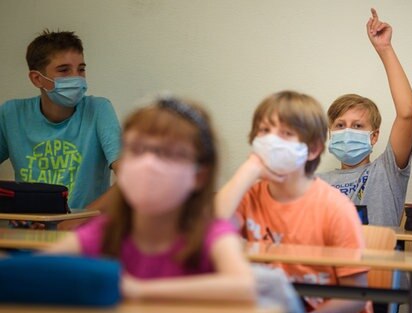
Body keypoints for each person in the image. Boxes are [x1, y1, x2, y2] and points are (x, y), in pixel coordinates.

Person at [46, 97, 255, 302]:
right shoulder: (105, 231)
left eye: (167, 153)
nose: (149, 164)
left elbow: (243, 286)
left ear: (199, 175)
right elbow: (36, 269)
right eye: (136, 150)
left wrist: (140, 290)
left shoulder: (210, 233)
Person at [216, 90, 372, 313]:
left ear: (313, 149)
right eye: (264, 131)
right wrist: (249, 170)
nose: (271, 141)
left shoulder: (335, 207)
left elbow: (354, 295)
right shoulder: (250, 197)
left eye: (286, 133)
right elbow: (206, 230)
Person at [0, 30, 121, 212]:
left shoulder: (98, 109)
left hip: (82, 232)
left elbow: (132, 179)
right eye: (64, 70)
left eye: (81, 69)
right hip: (29, 230)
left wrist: (80, 221)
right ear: (37, 79)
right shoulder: (11, 114)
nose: (77, 78)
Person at [318, 8, 412, 228]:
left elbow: (407, 113)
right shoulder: (317, 184)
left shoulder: (387, 172)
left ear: (374, 137)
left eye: (358, 125)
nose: (347, 131)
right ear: (330, 134)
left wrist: (385, 49)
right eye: (340, 125)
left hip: (376, 261)